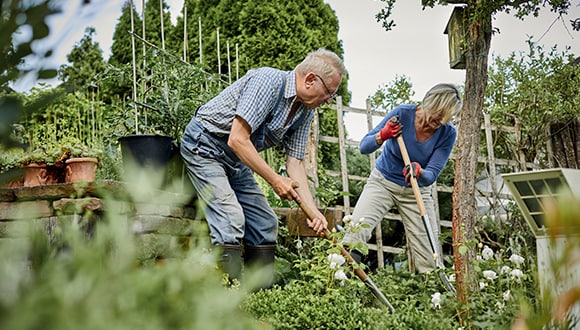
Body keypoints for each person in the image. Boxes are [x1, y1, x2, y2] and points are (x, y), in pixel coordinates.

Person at [180, 48, 345, 286]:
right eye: (329, 93)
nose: (328, 101)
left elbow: (295, 163)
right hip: (205, 146)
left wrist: (314, 211)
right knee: (230, 219)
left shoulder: (305, 111)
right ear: (310, 80)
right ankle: (228, 302)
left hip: (236, 158)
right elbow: (237, 138)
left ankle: (260, 303)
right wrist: (275, 180)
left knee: (265, 222)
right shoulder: (268, 81)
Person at [342, 83, 462, 273]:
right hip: (383, 183)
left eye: (447, 117)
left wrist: (420, 172)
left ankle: (433, 295)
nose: (441, 120)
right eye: (439, 113)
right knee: (356, 230)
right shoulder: (402, 114)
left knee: (429, 251)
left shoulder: (448, 133)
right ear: (429, 102)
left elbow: (431, 175)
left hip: (416, 192)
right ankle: (340, 281)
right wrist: (383, 135)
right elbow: (364, 147)